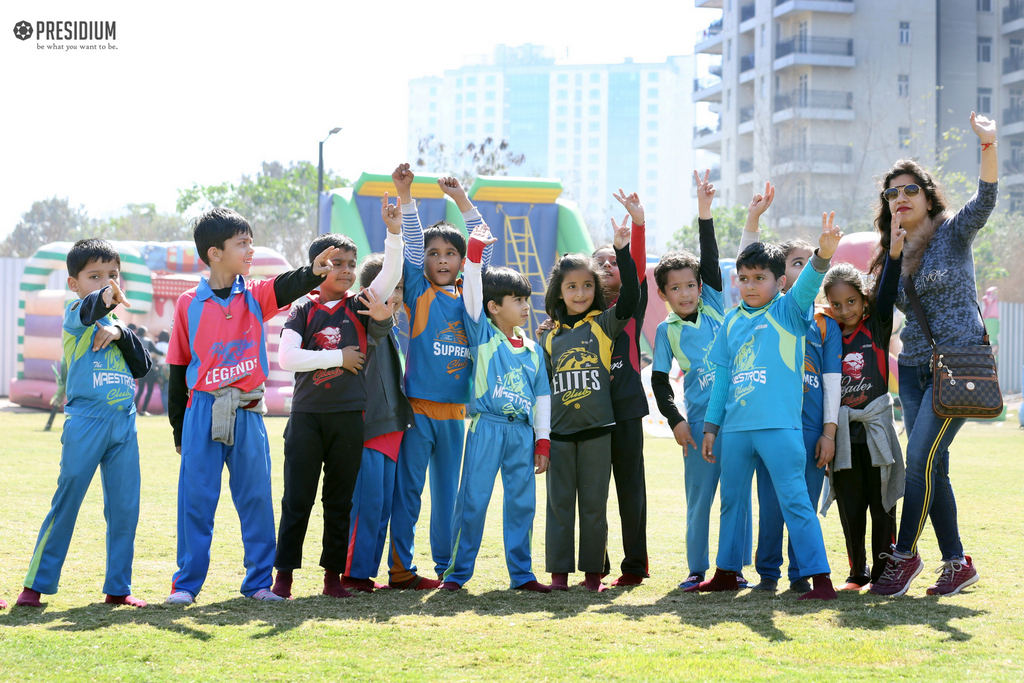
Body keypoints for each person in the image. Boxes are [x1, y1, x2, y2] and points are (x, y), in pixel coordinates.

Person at [164, 207, 340, 604]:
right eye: (241, 243)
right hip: (201, 413)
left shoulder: (254, 295)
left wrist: (313, 273)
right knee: (195, 501)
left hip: (247, 412)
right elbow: (178, 367)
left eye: (250, 241)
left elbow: (286, 285)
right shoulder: (188, 303)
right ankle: (186, 586)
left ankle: (258, 584)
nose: (250, 249)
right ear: (214, 253)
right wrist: (179, 429)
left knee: (257, 500)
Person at [869, 112, 998, 597]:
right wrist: (895, 258)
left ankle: (904, 557)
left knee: (919, 457)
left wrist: (987, 145)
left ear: (927, 196)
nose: (900, 198)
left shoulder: (953, 233)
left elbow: (985, 200)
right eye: (892, 193)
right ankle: (956, 562)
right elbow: (883, 314)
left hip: (958, 364)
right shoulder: (889, 251)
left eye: (909, 190)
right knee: (933, 464)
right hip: (914, 369)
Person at [689, 213, 844, 601]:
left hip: (780, 428)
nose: (750, 285)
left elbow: (808, 285)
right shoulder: (729, 323)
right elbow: (722, 379)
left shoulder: (789, 312)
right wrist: (711, 427)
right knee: (732, 502)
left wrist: (822, 256)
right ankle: (726, 572)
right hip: (737, 430)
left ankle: (820, 580)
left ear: (780, 283)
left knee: (796, 501)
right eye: (744, 278)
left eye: (760, 278)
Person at [270, 199, 402, 600]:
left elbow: (392, 271)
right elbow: (288, 358)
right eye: (335, 263)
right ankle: (284, 578)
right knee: (297, 499)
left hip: (349, 417)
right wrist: (339, 358)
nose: (345, 270)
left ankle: (333, 579)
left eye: (350, 263)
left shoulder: (361, 304)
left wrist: (393, 232)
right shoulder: (302, 308)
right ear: (317, 267)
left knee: (339, 501)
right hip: (307, 416)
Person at [16, 239, 153, 608]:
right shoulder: (76, 315)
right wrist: (106, 299)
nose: (107, 282)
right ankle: (35, 586)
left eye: (113, 275)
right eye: (95, 276)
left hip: (124, 425)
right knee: (68, 501)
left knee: (125, 509)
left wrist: (122, 332)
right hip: (86, 423)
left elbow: (142, 367)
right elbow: (93, 307)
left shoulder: (119, 327)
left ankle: (118, 589)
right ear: (74, 283)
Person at [387, 166, 491, 589]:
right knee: (408, 492)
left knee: (448, 498)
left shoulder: (472, 295)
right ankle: (400, 570)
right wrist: (405, 194)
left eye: (450, 253)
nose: (441, 259)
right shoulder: (418, 289)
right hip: (416, 410)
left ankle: (446, 569)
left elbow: (481, 240)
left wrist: (462, 200)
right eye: (434, 254)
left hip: (455, 415)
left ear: (461, 260)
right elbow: (412, 242)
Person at [736, 184, 843, 594]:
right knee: (772, 504)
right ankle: (768, 573)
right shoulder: (764, 315)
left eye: (806, 263)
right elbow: (748, 265)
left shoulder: (825, 325)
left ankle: (803, 574)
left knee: (805, 504)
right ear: (780, 277)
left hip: (813, 428)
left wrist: (829, 434)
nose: (801, 270)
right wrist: (753, 221)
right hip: (771, 423)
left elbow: (832, 382)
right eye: (793, 264)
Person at [651, 170, 752, 590]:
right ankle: (696, 569)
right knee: (700, 499)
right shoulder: (666, 332)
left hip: (737, 418)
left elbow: (709, 256)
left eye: (691, 285)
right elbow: (659, 382)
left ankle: (732, 569)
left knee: (737, 498)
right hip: (696, 427)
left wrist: (704, 210)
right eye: (676, 289)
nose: (687, 293)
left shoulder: (714, 305)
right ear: (665, 295)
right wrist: (676, 422)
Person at [441, 217, 552, 593]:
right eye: (518, 300)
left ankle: (522, 576)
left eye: (526, 299)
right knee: (472, 501)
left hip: (522, 434)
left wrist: (542, 442)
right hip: (486, 427)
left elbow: (542, 400)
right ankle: (456, 575)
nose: (525, 306)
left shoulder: (535, 352)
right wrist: (474, 253)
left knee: (522, 505)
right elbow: (471, 292)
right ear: (493, 307)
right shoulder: (483, 333)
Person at [540, 216, 638, 593]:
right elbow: (544, 391)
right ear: (559, 292)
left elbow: (631, 298)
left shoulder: (603, 324)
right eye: (571, 287)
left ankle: (593, 577)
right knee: (559, 507)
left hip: (598, 432)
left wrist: (622, 251)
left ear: (595, 289)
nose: (579, 293)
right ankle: (558, 577)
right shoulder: (550, 336)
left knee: (594, 507)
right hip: (561, 436)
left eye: (586, 286)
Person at [820, 245, 906, 591]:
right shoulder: (826, 335)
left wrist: (895, 254)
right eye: (837, 305)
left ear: (864, 301)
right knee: (851, 507)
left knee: (882, 504)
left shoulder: (878, 327)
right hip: (843, 434)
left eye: (852, 302)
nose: (845, 310)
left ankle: (885, 574)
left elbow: (887, 291)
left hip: (877, 431)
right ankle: (857, 573)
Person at [342, 254, 413, 593]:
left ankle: (365, 573)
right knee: (366, 505)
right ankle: (353, 573)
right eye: (389, 286)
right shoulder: (365, 321)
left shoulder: (392, 330)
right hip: (370, 427)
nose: (394, 295)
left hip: (392, 429)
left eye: (399, 287)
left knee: (382, 506)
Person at [592, 189, 651, 587]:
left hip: (626, 408)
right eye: (602, 261)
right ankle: (597, 564)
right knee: (592, 492)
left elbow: (639, 267)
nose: (611, 265)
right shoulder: (577, 313)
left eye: (616, 261)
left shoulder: (631, 305)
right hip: (589, 413)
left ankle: (635, 567)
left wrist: (637, 227)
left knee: (630, 490)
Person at [135, 326, 161, 415]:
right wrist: (164, 353)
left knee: (140, 390)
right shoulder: (148, 340)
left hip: (140, 369)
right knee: (149, 390)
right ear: (145, 332)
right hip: (150, 369)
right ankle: (143, 410)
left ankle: (134, 409)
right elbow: (156, 351)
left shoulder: (135, 340)